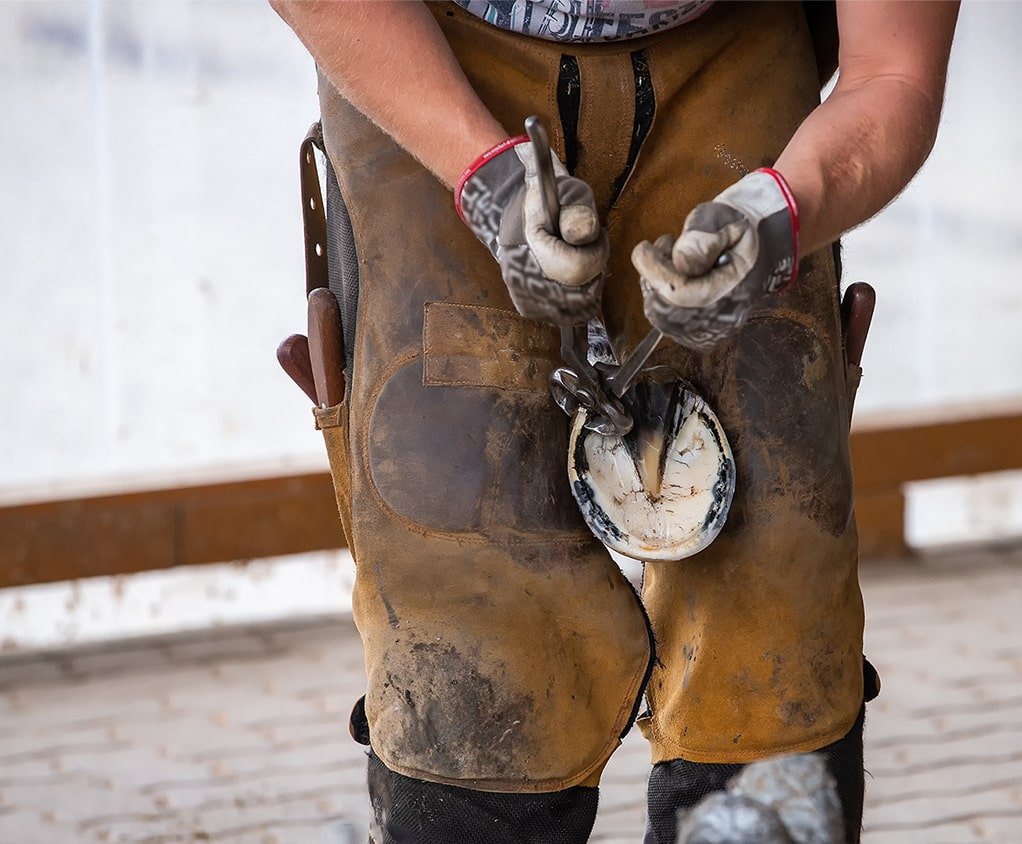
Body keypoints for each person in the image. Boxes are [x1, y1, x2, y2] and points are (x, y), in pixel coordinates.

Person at [269, 1, 958, 841]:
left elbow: (894, 73)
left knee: (772, 612)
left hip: (733, 46)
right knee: (474, 631)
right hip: (436, 54)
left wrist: (784, 211)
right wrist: (480, 171)